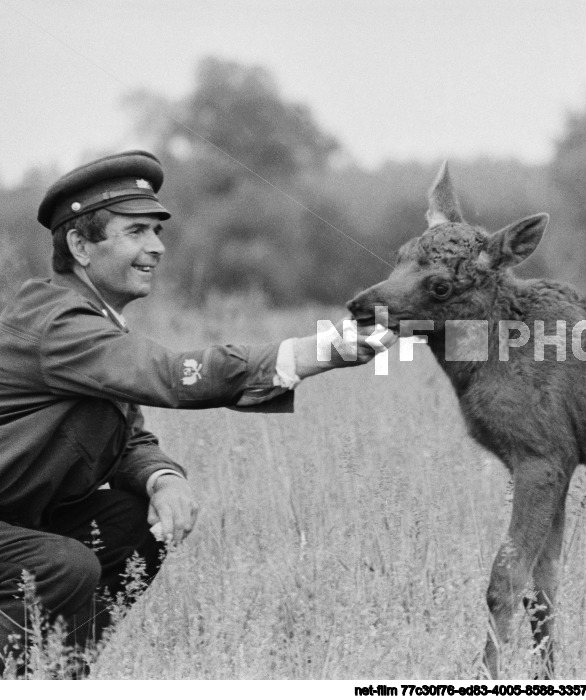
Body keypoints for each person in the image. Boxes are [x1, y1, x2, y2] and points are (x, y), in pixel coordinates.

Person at [0, 150, 394, 676]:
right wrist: (319, 351)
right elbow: (170, 375)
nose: (157, 246)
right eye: (136, 231)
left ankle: (57, 675)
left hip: (16, 521)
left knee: (133, 522)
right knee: (60, 565)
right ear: (80, 245)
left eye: (156, 231)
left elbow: (126, 434)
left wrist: (163, 479)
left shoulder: (92, 323)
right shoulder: (56, 324)